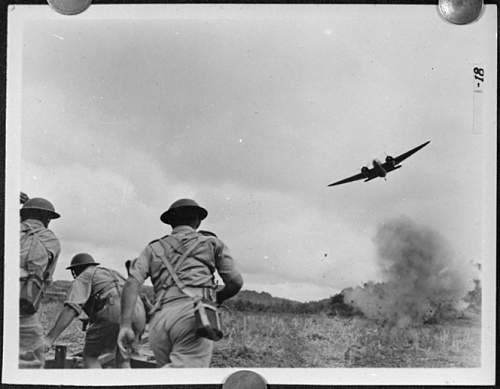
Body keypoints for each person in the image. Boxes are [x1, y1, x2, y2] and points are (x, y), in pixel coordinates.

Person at [118, 199, 243, 368]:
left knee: (168, 380)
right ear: (198, 221)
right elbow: (235, 282)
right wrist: (215, 299)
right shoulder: (211, 243)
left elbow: (132, 283)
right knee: (186, 380)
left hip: (159, 320)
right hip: (193, 316)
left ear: (171, 222)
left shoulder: (153, 248)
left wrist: (125, 325)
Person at [44, 253, 146, 368]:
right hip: (138, 312)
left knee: (90, 356)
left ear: (75, 270)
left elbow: (71, 308)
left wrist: (49, 339)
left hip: (115, 313)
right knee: (123, 358)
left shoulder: (84, 276)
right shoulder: (112, 273)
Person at [19, 194, 61, 368]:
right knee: (32, 361)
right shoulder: (50, 239)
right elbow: (47, 279)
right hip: (22, 305)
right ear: (47, 219)